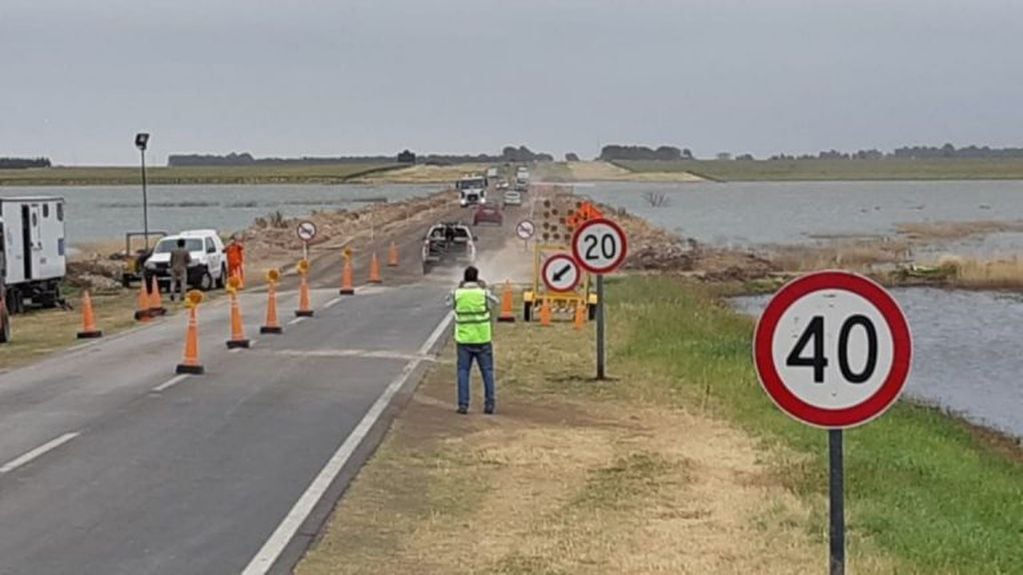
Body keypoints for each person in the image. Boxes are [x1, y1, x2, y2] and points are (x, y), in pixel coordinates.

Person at [447, 266, 500, 414]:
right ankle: (489, 404)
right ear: (477, 278)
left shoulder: (457, 294)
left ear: (464, 278)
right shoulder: (483, 294)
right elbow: (495, 303)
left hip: (464, 338)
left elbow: (448, 303)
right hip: (483, 337)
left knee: (463, 371)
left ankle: (463, 404)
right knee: (487, 371)